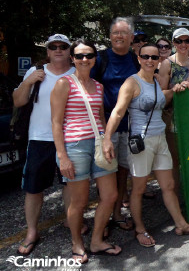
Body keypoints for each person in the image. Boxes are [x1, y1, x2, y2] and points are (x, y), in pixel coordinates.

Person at [103, 43, 189, 247]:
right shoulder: (131, 83)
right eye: (146, 56)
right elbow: (117, 111)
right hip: (141, 142)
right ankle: (140, 230)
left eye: (154, 57)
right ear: (139, 58)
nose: (150, 60)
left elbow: (163, 98)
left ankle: (181, 225)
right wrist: (107, 138)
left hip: (160, 140)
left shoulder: (157, 82)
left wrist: (177, 88)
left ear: (159, 60)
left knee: (168, 186)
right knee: (139, 189)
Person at [51, 40, 121, 264]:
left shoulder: (98, 86)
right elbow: (56, 122)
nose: (84, 59)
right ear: (72, 58)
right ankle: (77, 243)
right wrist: (62, 156)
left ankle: (97, 240)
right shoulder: (64, 83)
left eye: (88, 55)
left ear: (94, 58)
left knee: (110, 195)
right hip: (75, 146)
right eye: (79, 56)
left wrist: (107, 140)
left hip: (99, 144)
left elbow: (101, 118)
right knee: (79, 201)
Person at [14, 34, 76, 256]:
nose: (58, 50)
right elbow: (18, 100)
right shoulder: (35, 73)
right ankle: (32, 232)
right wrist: (29, 82)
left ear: (69, 51)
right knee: (33, 188)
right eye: (53, 47)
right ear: (48, 51)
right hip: (40, 139)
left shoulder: (76, 72)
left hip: (70, 138)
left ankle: (71, 223)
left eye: (63, 46)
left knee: (70, 184)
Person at [91, 17, 139, 232]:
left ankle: (118, 212)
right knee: (105, 173)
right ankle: (104, 217)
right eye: (115, 33)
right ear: (110, 36)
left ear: (131, 38)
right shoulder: (100, 59)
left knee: (121, 172)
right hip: (105, 125)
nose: (119, 36)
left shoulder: (136, 60)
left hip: (129, 125)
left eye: (123, 33)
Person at [158, 28, 189, 190]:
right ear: (174, 43)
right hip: (172, 120)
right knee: (174, 161)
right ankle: (174, 197)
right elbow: (161, 96)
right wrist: (175, 89)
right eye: (179, 41)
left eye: (187, 41)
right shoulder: (167, 64)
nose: (183, 44)